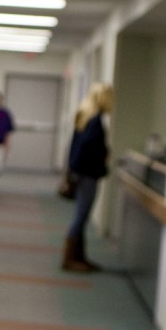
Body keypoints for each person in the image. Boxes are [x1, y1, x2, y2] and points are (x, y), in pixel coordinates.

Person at [62, 82, 114, 272]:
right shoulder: (95, 121)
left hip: (80, 172)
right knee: (81, 216)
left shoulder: (84, 116)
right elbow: (88, 148)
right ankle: (70, 258)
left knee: (81, 215)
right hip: (88, 174)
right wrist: (104, 154)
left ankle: (79, 257)